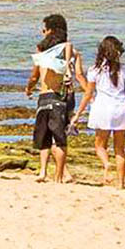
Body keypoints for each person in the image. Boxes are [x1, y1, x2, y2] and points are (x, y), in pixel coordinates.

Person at [71, 36, 125, 188]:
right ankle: (121, 183)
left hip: (102, 109)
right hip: (121, 109)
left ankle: (106, 164)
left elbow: (88, 94)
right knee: (120, 149)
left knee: (100, 146)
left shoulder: (95, 70)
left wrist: (78, 114)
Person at [25, 14, 79, 183]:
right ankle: (59, 175)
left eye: (44, 29)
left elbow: (34, 76)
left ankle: (42, 172)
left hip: (43, 96)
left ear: (51, 30)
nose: (42, 32)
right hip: (59, 97)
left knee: (44, 138)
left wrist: (28, 88)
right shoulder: (67, 50)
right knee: (60, 138)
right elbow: (73, 66)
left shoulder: (41, 50)